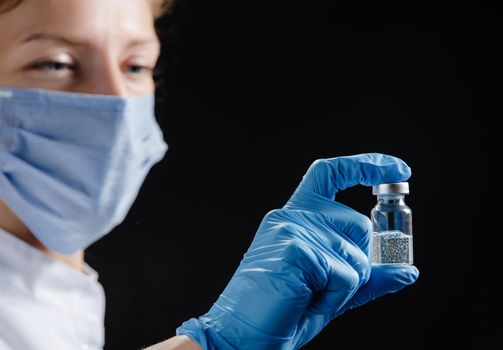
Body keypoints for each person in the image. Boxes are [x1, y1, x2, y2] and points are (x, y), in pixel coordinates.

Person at [0, 0, 419, 349]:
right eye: (54, 64)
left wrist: (215, 343)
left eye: (135, 66)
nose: (115, 101)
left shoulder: (40, 289)